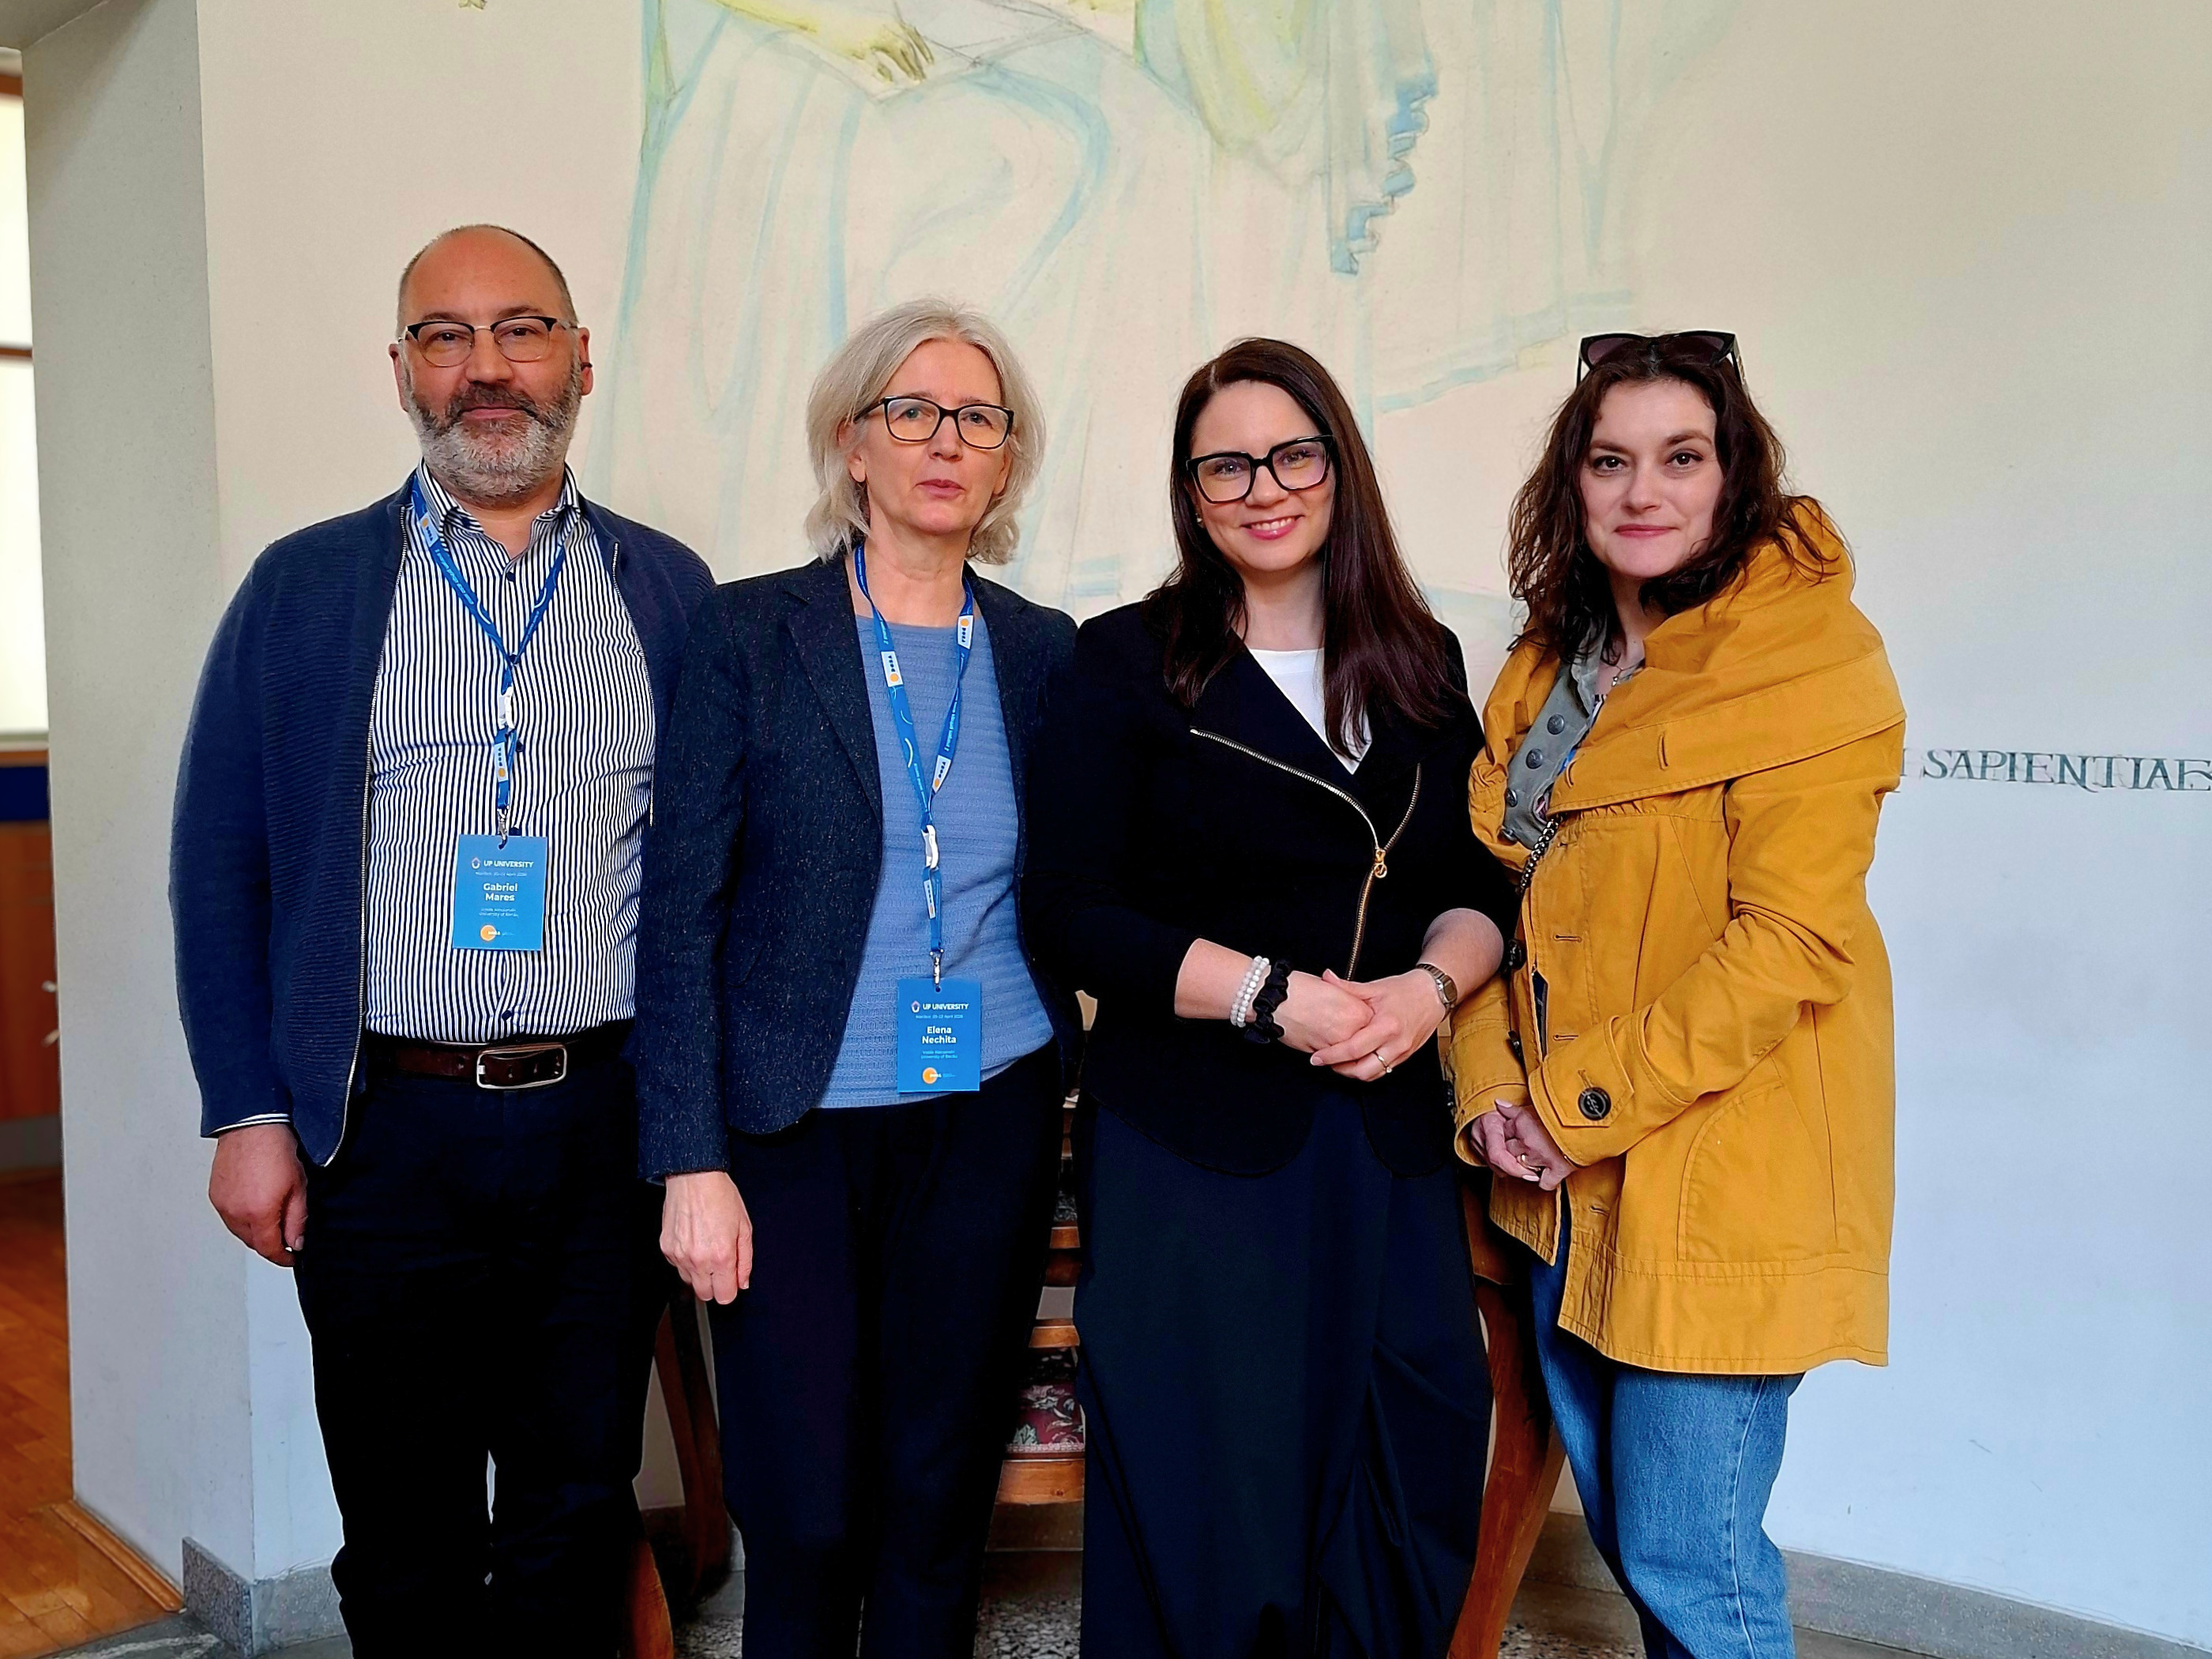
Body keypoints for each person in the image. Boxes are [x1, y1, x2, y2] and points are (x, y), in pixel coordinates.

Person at [172, 225, 713, 1657]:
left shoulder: (668, 589)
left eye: (521, 330)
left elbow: (708, 876)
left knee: (575, 1510)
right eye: (445, 336)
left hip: (603, 1129)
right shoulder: (306, 588)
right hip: (382, 1132)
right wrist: (248, 1110)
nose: (486, 368)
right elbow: (218, 863)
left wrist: (695, 1129)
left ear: (580, 358)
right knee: (404, 1529)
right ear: (401, 367)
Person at [1024, 337, 1519, 1657]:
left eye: (1293, 455)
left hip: (1385, 1134)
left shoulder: (1421, 659)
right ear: (1191, 496)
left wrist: (1427, 990)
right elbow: (1068, 911)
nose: (1264, 488)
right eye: (1226, 466)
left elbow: (1476, 882)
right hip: (1198, 1141)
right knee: (1218, 1497)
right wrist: (1266, 995)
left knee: (1410, 1464)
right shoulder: (1127, 660)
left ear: (1339, 468)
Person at [635, 299, 1081, 1659]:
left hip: (990, 1114)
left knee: (938, 1498)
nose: (946, 441)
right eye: (913, 411)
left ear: (1007, 460)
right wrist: (689, 1159)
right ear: (853, 442)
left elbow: (1082, 886)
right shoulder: (749, 635)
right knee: (809, 1509)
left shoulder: (1045, 649)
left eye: (978, 419)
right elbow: (678, 914)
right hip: (792, 1129)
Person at [1451, 331, 1905, 1659]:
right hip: (1557, 1182)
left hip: (1717, 1171)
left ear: (1734, 476)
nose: (1643, 491)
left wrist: (1566, 1108)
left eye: (1681, 457)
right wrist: (1491, 1093)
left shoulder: (1805, 659)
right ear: (1573, 484)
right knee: (1642, 1543)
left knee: (1690, 1564)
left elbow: (1790, 942)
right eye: (1611, 461)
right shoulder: (1552, 665)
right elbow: (1490, 902)